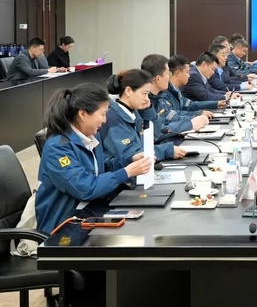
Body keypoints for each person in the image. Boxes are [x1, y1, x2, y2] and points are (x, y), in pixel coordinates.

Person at [35, 83, 151, 235]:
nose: (105, 120)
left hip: (91, 214)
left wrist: (129, 160)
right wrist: (126, 172)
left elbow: (100, 168)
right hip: (64, 226)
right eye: (102, 114)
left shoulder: (91, 136)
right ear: (83, 114)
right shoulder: (57, 148)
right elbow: (85, 187)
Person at [99, 69, 186, 164]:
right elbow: (132, 154)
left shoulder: (134, 112)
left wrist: (147, 110)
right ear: (128, 91)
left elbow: (155, 136)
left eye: (148, 94)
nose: (147, 99)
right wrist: (166, 150)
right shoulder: (112, 119)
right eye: (144, 93)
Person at [140, 54, 210, 142]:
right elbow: (159, 132)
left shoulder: (158, 97)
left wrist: (196, 118)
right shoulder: (144, 102)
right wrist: (190, 124)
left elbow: (172, 118)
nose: (169, 77)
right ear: (158, 78)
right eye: (168, 73)